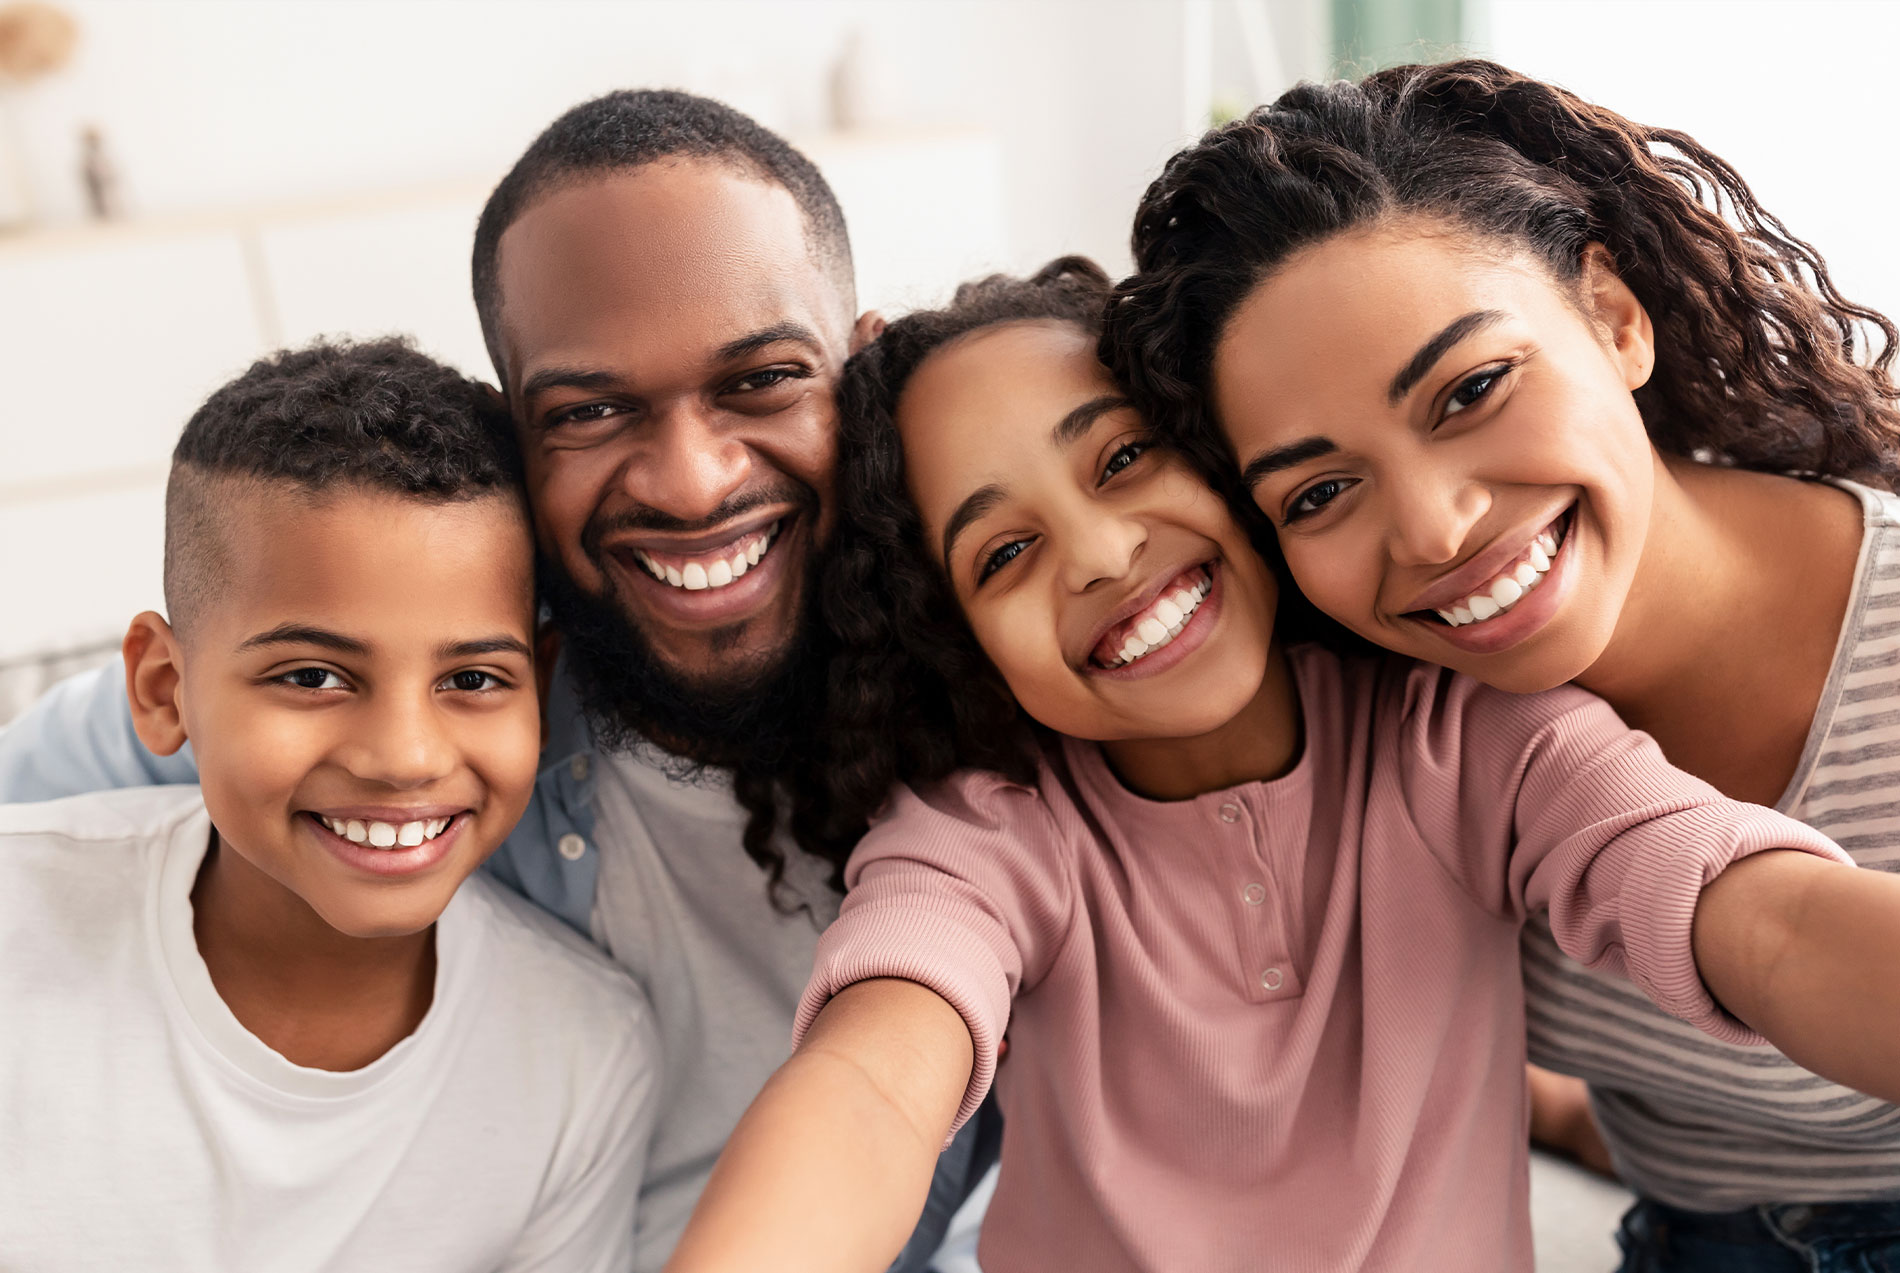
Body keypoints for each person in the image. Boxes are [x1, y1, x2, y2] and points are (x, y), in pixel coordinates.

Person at [658, 259, 1900, 1273]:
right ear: (958, 644)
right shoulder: (986, 834)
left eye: (1124, 458)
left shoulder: (1459, 734)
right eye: (1004, 553)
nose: (1099, 552)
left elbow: (1760, 916)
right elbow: (876, 1081)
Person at [0, 91, 989, 1270]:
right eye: (590, 410)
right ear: (518, 440)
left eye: (760, 380)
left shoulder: (1009, 707)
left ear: (859, 373)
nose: (687, 480)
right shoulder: (439, 672)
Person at [1103, 57, 1900, 1270]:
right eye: (1320, 490)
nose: (1429, 528)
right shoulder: (1397, 732)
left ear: (1615, 319)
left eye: (1471, 387)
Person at [0, 338, 656, 1271]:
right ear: (162, 688)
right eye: (312, 675)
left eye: (472, 676)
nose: (404, 758)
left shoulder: (583, 1054)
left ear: (541, 694)